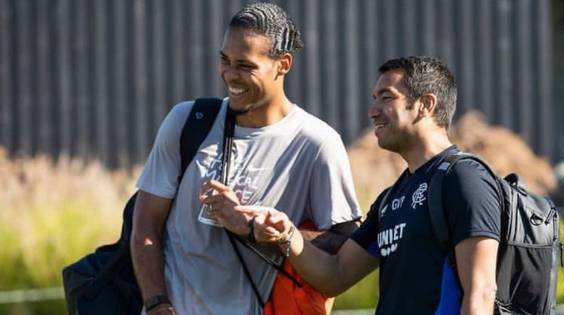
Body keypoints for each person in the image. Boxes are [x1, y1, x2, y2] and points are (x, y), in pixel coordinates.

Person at [130, 2, 361, 315]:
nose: (230, 75)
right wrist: (157, 303)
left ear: (284, 64)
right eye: (224, 60)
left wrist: (257, 228)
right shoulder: (187, 122)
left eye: (245, 66)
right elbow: (145, 225)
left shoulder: (316, 143)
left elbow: (344, 243)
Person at [238, 56, 501, 314]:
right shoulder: (391, 199)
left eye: (386, 97)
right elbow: (335, 275)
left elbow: (481, 292)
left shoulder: (464, 178)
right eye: (374, 99)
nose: (373, 112)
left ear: (425, 105)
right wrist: (286, 234)